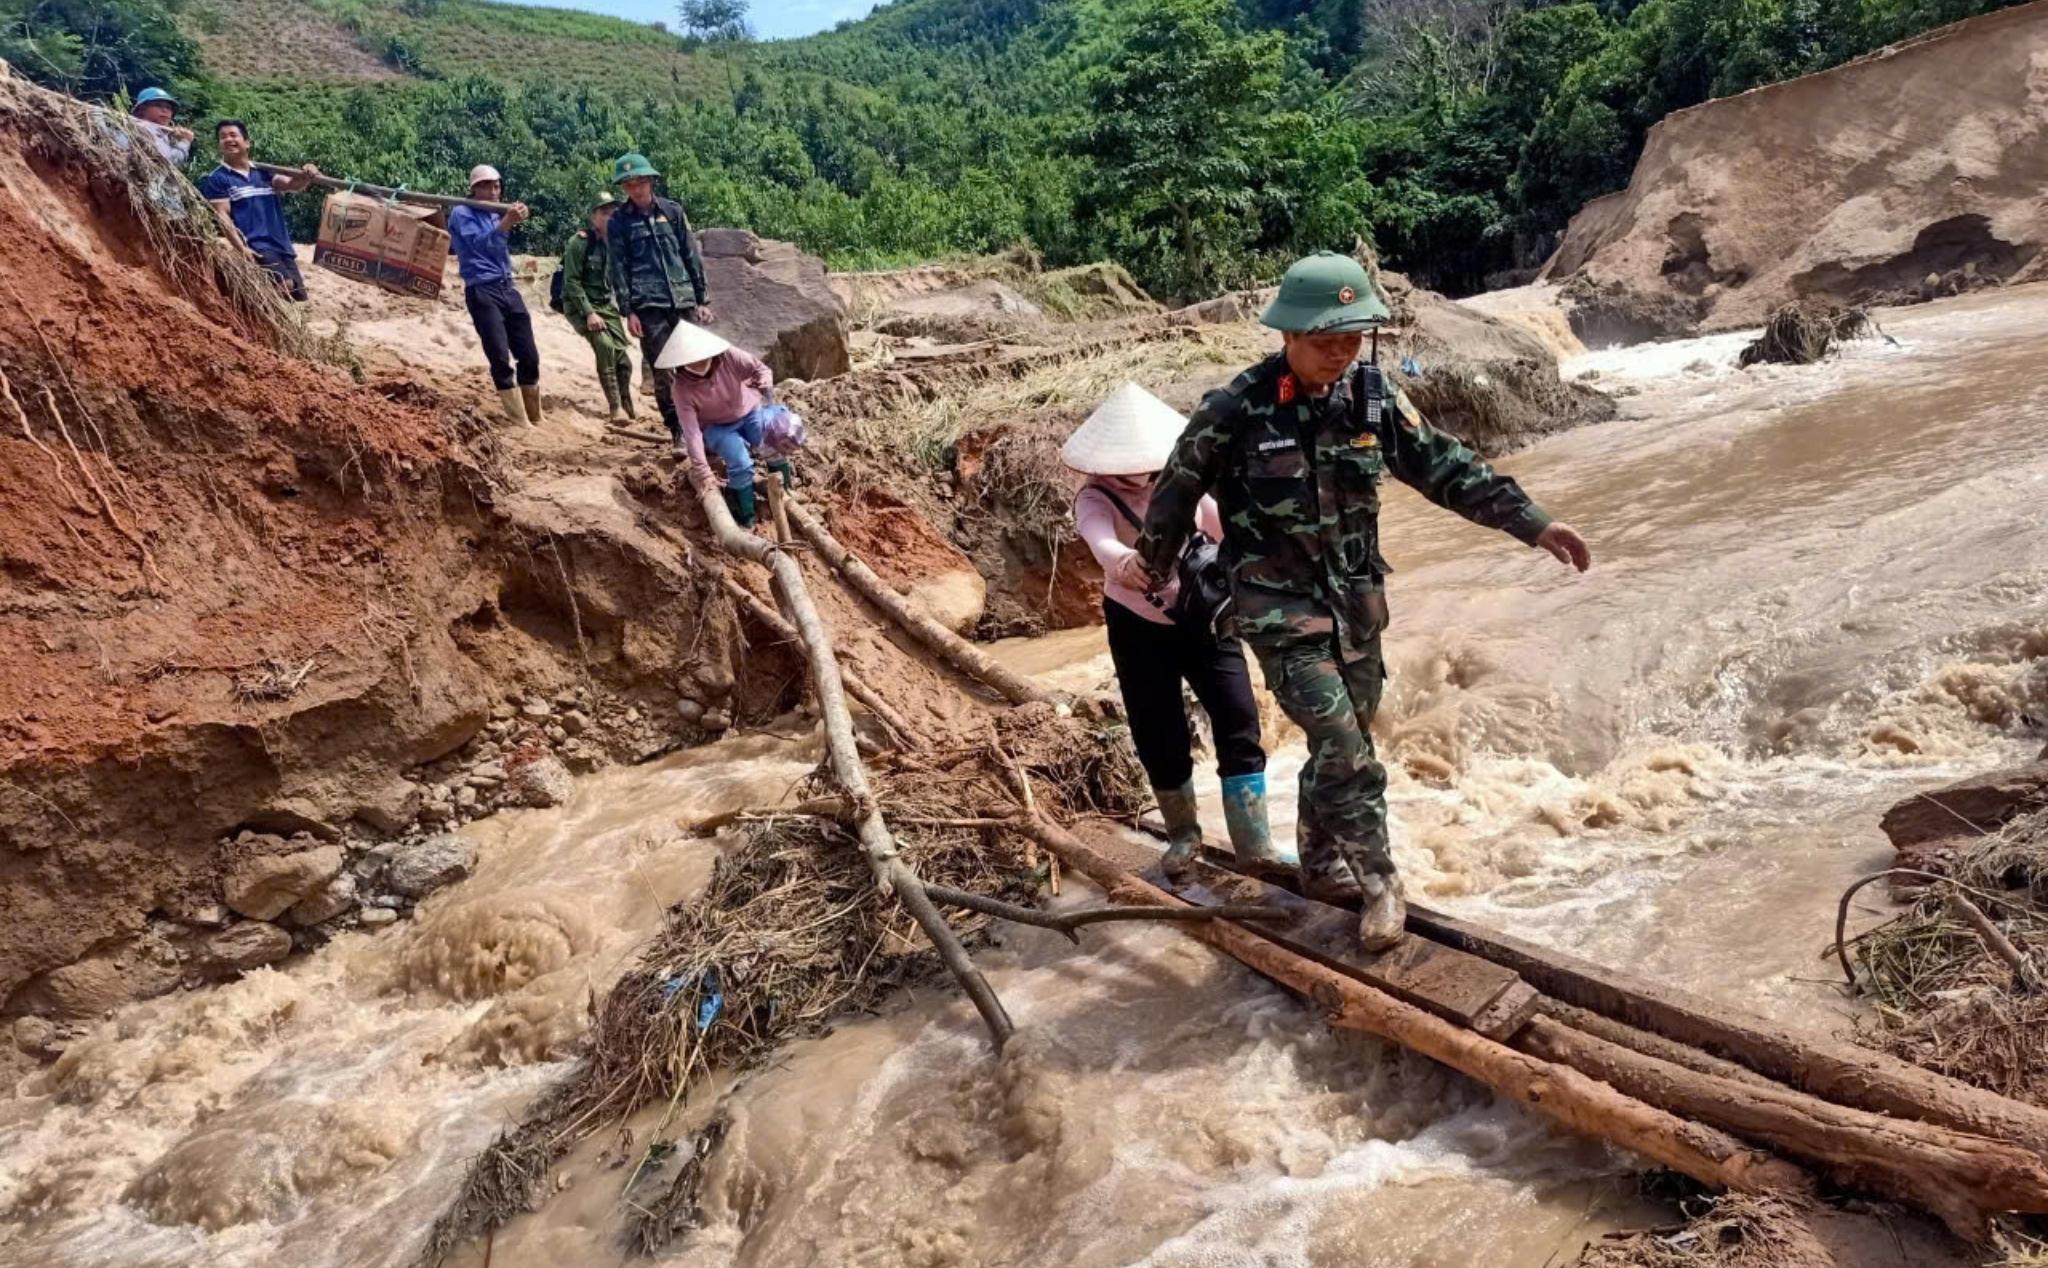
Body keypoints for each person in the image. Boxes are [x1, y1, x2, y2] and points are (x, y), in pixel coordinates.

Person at [1140, 252, 1592, 951]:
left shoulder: (1373, 399)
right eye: (1327, 341)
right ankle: (1382, 882)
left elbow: (1445, 467)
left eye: (1353, 339)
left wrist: (1532, 522)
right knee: (1346, 749)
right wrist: (1155, 566)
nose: (1341, 353)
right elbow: (1174, 491)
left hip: (1356, 605)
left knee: (1342, 740)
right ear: (1288, 335)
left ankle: (1319, 861)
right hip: (1276, 610)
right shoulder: (1233, 411)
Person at [1067, 383, 1294, 882]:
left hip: (1206, 615)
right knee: (1158, 732)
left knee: (1238, 719)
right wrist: (1122, 560)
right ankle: (1184, 836)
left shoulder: (1184, 478)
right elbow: (1098, 538)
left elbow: (1221, 525)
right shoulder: (1094, 495)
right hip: (1137, 626)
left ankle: (1256, 845)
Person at [605, 152, 715, 451]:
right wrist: (628, 310)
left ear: (651, 180)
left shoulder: (673, 211)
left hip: (682, 300)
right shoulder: (619, 222)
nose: (635, 187)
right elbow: (618, 267)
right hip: (648, 305)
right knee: (663, 371)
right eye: (628, 184)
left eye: (640, 181)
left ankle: (706, 426)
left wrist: (702, 298)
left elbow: (690, 255)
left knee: (696, 364)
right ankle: (678, 431)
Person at [654, 320, 778, 527]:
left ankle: (785, 493)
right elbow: (692, 432)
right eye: (691, 361)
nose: (699, 363)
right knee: (740, 463)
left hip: (748, 411)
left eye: (702, 357)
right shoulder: (681, 389)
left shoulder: (729, 356)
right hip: (716, 427)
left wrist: (765, 383)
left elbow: (761, 369)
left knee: (773, 444)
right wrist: (703, 472)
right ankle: (745, 515)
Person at [448, 164, 540, 427]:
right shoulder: (461, 213)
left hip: (507, 286)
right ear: (475, 189)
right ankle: (519, 419)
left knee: (529, 354)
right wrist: (506, 223)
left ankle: (535, 413)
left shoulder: (496, 213)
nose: (493, 191)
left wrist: (513, 217)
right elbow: (480, 244)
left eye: (496, 185)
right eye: (486, 186)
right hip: (482, 289)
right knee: (500, 356)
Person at [198, 120, 319, 301]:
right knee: (284, 285)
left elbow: (292, 185)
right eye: (223, 137)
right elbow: (222, 216)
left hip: (281, 244)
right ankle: (251, 314)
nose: (228, 139)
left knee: (296, 296)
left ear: (247, 142)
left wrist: (307, 174)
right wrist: (241, 249)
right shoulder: (217, 178)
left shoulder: (265, 172)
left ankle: (253, 311)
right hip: (255, 244)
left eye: (233, 135)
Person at [560, 191, 634, 424]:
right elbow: (571, 282)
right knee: (604, 346)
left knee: (624, 360)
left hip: (605, 306)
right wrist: (589, 313)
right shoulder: (579, 242)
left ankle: (627, 403)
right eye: (604, 213)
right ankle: (615, 409)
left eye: (613, 213)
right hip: (581, 306)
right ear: (593, 217)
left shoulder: (616, 245)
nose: (609, 217)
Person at [130, 88, 192, 165]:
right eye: (158, 105)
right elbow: (166, 161)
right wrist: (185, 142)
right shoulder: (140, 128)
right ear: (142, 109)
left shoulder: (162, 134)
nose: (165, 110)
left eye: (168, 108)